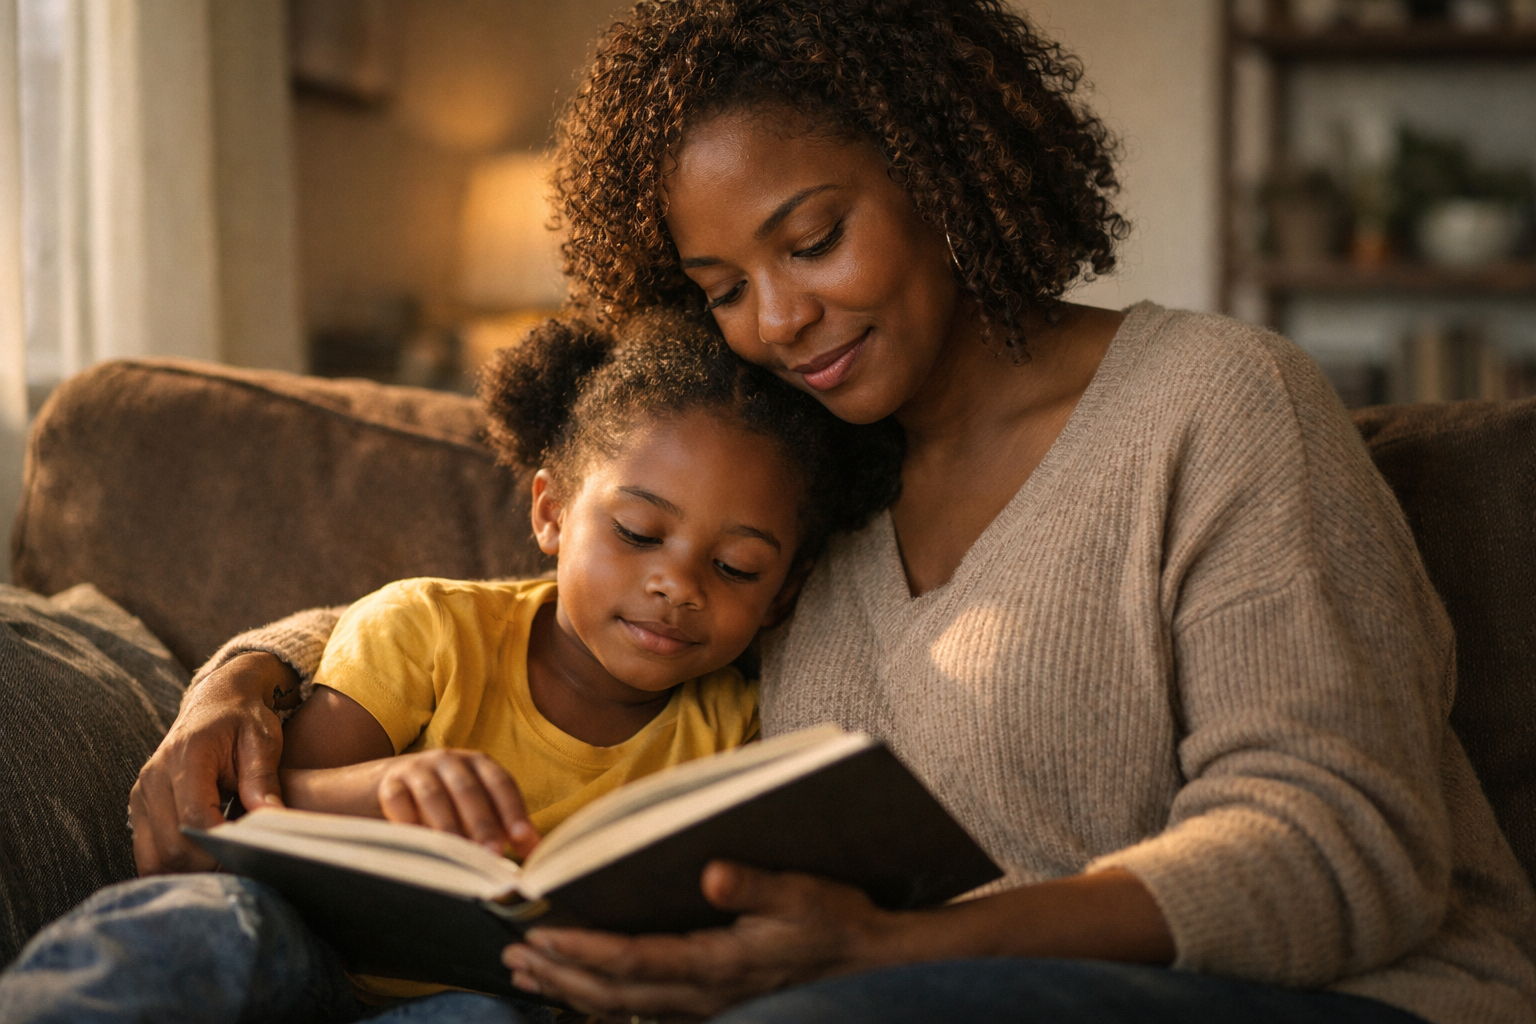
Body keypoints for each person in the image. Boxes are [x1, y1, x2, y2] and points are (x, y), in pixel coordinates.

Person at [126, 2, 1535, 1023]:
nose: (780, 320)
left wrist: (892, 955)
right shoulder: (799, 486)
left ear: (941, 163)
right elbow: (506, 613)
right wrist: (238, 689)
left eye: (811, 240)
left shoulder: (1218, 403)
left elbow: (1345, 838)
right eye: (725, 285)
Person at [0, 311, 902, 1023]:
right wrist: (393, 788)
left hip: (481, 1004)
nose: (676, 584)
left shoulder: (733, 731)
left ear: (783, 595)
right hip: (305, 946)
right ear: (551, 513)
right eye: (636, 533)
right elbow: (264, 805)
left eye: (736, 567)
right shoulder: (429, 630)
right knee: (217, 935)